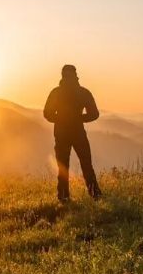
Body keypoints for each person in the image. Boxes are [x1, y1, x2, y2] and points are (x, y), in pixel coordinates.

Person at [43, 64, 103, 203]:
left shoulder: (56, 92)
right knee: (86, 165)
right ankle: (95, 195)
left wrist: (61, 119)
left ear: (62, 75)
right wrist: (79, 118)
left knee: (63, 167)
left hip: (61, 133)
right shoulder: (83, 92)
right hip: (78, 133)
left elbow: (47, 114)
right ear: (76, 75)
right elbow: (94, 114)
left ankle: (64, 197)